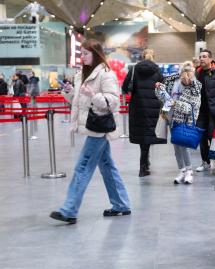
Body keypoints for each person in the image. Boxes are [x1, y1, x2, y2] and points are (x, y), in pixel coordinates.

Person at [50, 39, 131, 224]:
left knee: (82, 167)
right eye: (82, 53)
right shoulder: (82, 74)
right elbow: (79, 101)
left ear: (96, 53)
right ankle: (121, 204)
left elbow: (113, 101)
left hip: (99, 128)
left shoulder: (106, 74)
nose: (82, 57)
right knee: (107, 167)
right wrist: (70, 92)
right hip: (93, 125)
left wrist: (93, 95)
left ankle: (69, 209)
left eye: (86, 53)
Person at [154, 61, 202, 184]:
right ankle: (182, 170)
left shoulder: (195, 88)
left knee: (184, 146)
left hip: (185, 120)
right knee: (176, 147)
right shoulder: (173, 82)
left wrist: (176, 103)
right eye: (183, 77)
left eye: (188, 78)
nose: (185, 81)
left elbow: (191, 108)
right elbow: (164, 98)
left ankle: (189, 171)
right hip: (171, 118)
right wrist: (159, 89)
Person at [122, 48, 166, 177]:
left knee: (142, 134)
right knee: (149, 133)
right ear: (154, 56)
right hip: (153, 106)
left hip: (137, 106)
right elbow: (163, 89)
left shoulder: (134, 69)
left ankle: (144, 164)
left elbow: (125, 87)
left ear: (142, 56)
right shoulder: (157, 71)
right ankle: (144, 164)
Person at [195, 49, 215, 172]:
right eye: (200, 56)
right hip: (201, 111)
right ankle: (205, 162)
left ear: (210, 59)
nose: (201, 59)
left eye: (204, 57)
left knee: (213, 137)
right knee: (201, 136)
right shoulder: (198, 73)